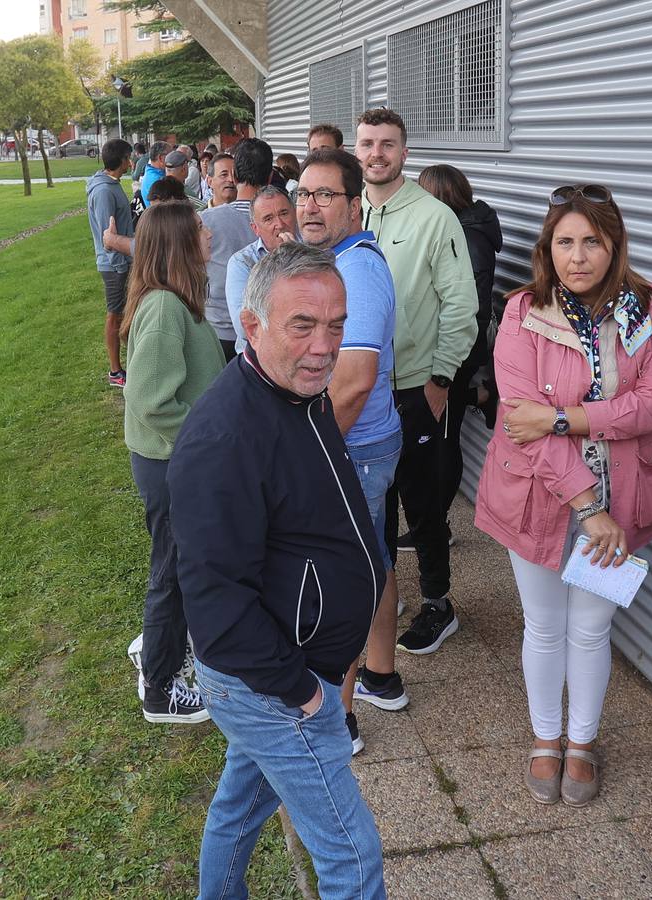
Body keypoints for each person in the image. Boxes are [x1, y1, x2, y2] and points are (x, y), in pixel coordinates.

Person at [170, 243, 386, 899]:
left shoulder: (298, 390)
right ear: (251, 324)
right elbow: (215, 608)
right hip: (273, 684)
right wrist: (306, 695)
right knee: (352, 859)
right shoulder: (223, 439)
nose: (325, 346)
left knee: (238, 811)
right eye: (303, 325)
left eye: (336, 325)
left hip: (291, 671)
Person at [474, 183, 652, 807]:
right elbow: (519, 419)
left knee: (591, 627)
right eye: (565, 241)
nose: (578, 255)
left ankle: (583, 742)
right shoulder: (522, 311)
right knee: (543, 623)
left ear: (614, 243)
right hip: (538, 492)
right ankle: (546, 738)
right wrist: (587, 507)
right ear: (548, 247)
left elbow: (651, 405)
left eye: (592, 240)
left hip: (625, 495)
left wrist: (563, 418)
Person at [356, 107, 478, 654]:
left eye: (387, 144)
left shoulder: (434, 218)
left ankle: (438, 602)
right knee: (373, 500)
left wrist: (441, 377)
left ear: (405, 152)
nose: (376, 153)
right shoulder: (348, 211)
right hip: (361, 386)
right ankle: (386, 595)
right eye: (367, 144)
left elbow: (461, 306)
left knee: (424, 501)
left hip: (417, 387)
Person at [297, 147, 406, 754]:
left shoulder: (356, 271)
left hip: (353, 445)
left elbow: (356, 379)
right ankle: (381, 675)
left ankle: (339, 721)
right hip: (363, 442)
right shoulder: (333, 260)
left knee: (342, 579)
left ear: (355, 202)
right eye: (304, 194)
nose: (310, 206)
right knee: (371, 559)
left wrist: (312, 451)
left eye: (325, 195)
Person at [120, 201, 225, 725]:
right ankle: (159, 689)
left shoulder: (178, 300)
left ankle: (160, 650)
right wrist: (211, 443)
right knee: (172, 574)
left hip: (176, 461)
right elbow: (151, 400)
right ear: (180, 243)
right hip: (171, 465)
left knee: (178, 569)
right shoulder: (163, 307)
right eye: (201, 228)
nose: (209, 233)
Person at [419, 163, 503, 482]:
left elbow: (473, 308)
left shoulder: (467, 238)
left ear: (438, 197)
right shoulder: (455, 230)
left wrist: (452, 357)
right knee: (438, 417)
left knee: (444, 437)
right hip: (447, 343)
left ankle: (440, 527)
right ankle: (481, 396)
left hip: (457, 346)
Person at [200, 138, 274, 360]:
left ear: (234, 177)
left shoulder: (206, 221)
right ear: (270, 177)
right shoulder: (285, 223)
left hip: (218, 333)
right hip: (267, 336)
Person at [87, 138, 137, 388]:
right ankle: (116, 371)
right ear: (121, 160)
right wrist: (119, 266)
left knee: (125, 314)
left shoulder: (113, 184)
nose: (131, 161)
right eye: (128, 157)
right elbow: (108, 236)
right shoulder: (104, 190)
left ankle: (132, 362)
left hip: (124, 261)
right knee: (114, 315)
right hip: (114, 265)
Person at [224, 187, 300, 351]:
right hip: (257, 360)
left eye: (284, 213)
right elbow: (243, 327)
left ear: (294, 214)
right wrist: (286, 261)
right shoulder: (242, 262)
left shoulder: (312, 252)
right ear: (255, 228)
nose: (279, 224)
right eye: (268, 219)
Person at [137, 141, 169, 208]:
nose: (172, 158)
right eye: (170, 155)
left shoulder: (150, 171)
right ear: (160, 158)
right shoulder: (158, 180)